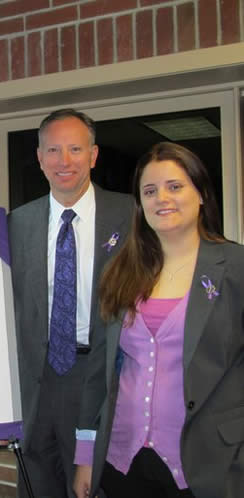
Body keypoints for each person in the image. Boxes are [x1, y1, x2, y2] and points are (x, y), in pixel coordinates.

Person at [73, 142, 244, 498]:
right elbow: (97, 378)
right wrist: (86, 456)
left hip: (210, 464)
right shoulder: (120, 270)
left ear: (200, 194)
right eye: (149, 191)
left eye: (175, 186)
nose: (161, 198)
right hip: (122, 462)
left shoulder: (235, 267)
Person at [7, 109, 133, 498]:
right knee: (36, 484)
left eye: (75, 149)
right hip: (36, 382)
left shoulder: (131, 215)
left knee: (91, 487)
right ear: (40, 157)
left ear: (93, 155)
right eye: (54, 150)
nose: (65, 161)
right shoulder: (16, 223)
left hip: (99, 378)